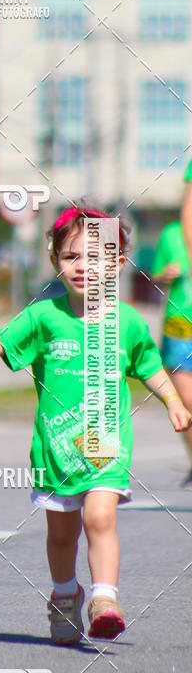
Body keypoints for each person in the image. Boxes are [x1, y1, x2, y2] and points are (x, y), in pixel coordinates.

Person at [0, 206, 191, 644]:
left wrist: (173, 400)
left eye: (95, 257)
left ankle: (104, 599)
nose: (82, 266)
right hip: (55, 452)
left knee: (100, 517)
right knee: (62, 535)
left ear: (118, 264)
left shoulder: (128, 322)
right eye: (71, 257)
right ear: (54, 261)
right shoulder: (44, 316)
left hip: (105, 447)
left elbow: (151, 367)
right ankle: (65, 596)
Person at [157, 193, 192, 483]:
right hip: (179, 322)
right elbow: (155, 275)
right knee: (185, 399)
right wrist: (164, 275)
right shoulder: (171, 233)